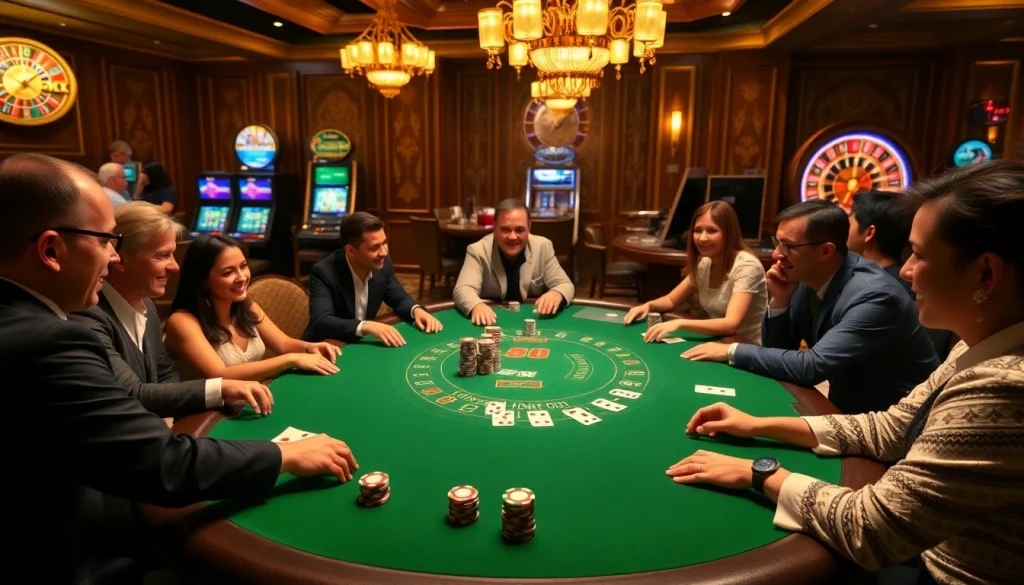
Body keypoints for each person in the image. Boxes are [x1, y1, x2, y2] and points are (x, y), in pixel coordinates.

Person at [0, 154, 358, 584]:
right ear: (51, 249)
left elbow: (158, 383)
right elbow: (162, 465)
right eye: (106, 241)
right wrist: (285, 454)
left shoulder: (29, 319)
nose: (113, 257)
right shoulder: (49, 340)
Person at [666, 159, 1024, 585]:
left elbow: (874, 529)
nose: (905, 270)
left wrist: (758, 472)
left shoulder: (1004, 384)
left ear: (985, 272)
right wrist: (758, 424)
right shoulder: (975, 344)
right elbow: (892, 427)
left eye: (920, 254)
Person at [682, 199, 938, 415]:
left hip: (897, 422)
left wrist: (732, 350)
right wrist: (780, 301)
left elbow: (811, 367)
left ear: (826, 251)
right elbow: (779, 352)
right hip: (845, 408)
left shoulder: (874, 296)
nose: (776, 254)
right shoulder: (806, 276)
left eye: (788, 246)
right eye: (777, 242)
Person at [70, 202, 274, 419]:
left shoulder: (147, 305)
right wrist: (221, 388)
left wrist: (169, 418)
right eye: (162, 256)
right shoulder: (87, 315)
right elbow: (131, 392)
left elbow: (165, 372)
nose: (175, 267)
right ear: (120, 260)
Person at [165, 234, 341, 381]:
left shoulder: (247, 306)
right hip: (205, 410)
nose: (242, 277)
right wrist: (290, 359)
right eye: (228, 272)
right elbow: (220, 375)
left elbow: (284, 344)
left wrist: (309, 348)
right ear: (203, 280)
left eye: (243, 266)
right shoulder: (182, 321)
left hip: (250, 397)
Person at [624, 201, 768, 345]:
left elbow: (731, 324)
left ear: (729, 234)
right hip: (721, 340)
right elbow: (671, 300)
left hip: (749, 348)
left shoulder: (747, 266)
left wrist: (679, 323)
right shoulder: (705, 263)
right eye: (697, 230)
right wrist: (648, 305)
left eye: (712, 231)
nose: (702, 238)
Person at [302, 212, 442, 346]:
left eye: (384, 243)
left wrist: (416, 310)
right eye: (375, 247)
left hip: (361, 344)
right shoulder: (324, 272)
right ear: (351, 251)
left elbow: (399, 298)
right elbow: (321, 321)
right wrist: (365, 326)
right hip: (325, 347)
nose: (384, 252)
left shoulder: (382, 263)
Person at [847, 190, 957, 360]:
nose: (906, 271)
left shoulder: (878, 289)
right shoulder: (888, 280)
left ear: (869, 233)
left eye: (849, 220)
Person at [453, 198, 575, 325]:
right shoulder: (478, 250)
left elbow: (565, 284)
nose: (512, 237)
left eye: (520, 230)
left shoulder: (543, 246)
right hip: (492, 320)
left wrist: (556, 293)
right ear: (494, 228)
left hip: (532, 319)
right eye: (505, 230)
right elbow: (463, 289)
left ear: (529, 228)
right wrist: (476, 305)